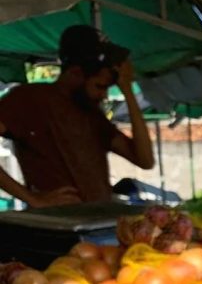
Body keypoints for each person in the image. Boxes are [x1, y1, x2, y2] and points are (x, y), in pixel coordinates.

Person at [0, 25, 154, 208]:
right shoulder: (29, 99)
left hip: (96, 219)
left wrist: (128, 91)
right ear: (75, 73)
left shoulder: (92, 114)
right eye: (99, 86)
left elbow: (145, 160)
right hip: (55, 222)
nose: (104, 95)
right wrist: (33, 199)